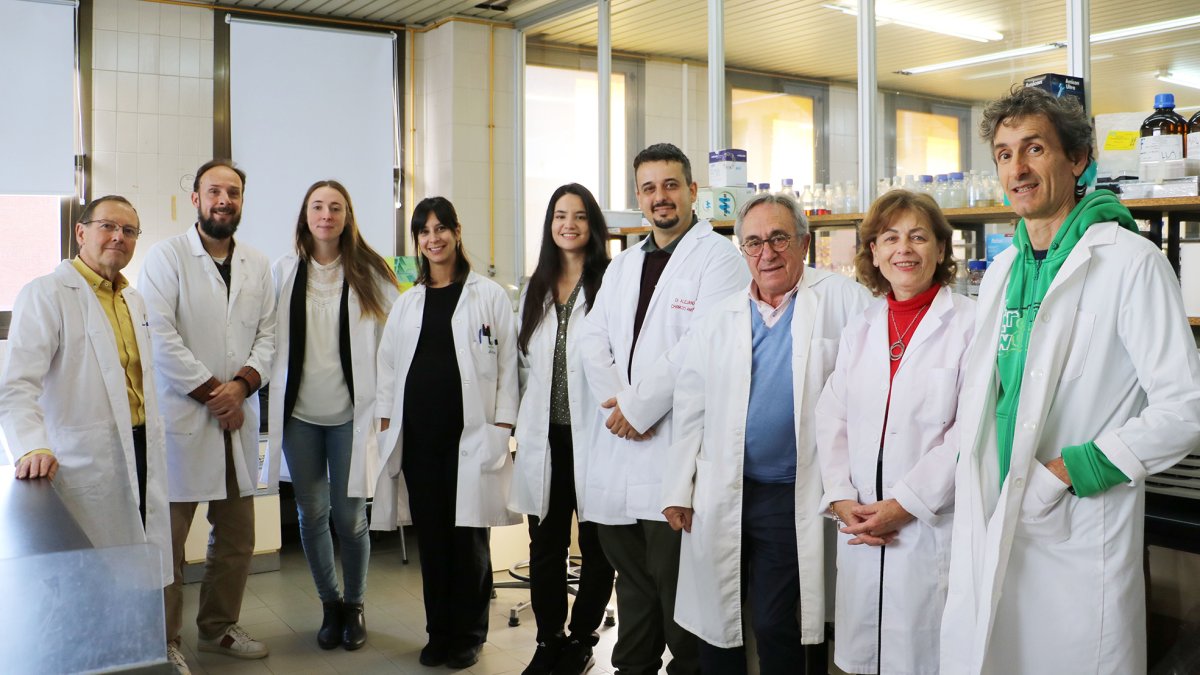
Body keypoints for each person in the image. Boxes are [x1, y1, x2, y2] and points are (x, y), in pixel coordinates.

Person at [939, 86, 1200, 674]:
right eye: (1004, 154)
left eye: (1034, 149)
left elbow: (1185, 408)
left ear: (1078, 159)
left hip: (1076, 520)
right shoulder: (1003, 269)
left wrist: (1066, 474)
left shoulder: (1130, 262)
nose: (1017, 168)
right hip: (996, 513)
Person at [660, 192, 869, 675]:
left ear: (803, 242)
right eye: (753, 242)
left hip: (791, 494)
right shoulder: (720, 318)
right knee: (717, 620)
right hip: (722, 491)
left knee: (777, 623)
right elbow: (691, 407)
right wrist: (678, 489)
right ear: (742, 251)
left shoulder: (845, 301)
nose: (767, 252)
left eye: (778, 238)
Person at [580, 142, 750, 675]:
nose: (661, 197)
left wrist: (637, 406)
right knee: (632, 596)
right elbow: (594, 338)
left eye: (671, 185)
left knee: (680, 607)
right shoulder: (624, 262)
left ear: (693, 191)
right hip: (618, 451)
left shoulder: (720, 259)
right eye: (649, 188)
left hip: (673, 457)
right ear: (639, 197)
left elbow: (700, 346)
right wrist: (620, 404)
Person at [0, 196, 180, 671]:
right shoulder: (47, 293)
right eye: (108, 227)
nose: (119, 237)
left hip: (142, 450)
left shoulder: (133, 298)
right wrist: (32, 445)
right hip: (83, 459)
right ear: (81, 233)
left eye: (130, 230)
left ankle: (141, 653)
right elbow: (16, 386)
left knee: (140, 564)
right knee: (92, 578)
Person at [815, 189, 973, 675]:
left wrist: (904, 505)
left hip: (927, 525)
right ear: (875, 254)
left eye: (918, 237)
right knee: (864, 658)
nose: (904, 249)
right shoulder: (861, 327)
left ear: (941, 250)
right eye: (890, 238)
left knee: (924, 658)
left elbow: (968, 432)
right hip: (861, 521)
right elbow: (832, 416)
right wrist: (842, 496)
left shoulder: (970, 323)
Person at [371, 196, 519, 670]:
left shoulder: (488, 296)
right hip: (419, 441)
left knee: (468, 541)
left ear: (456, 231)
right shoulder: (408, 301)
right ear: (416, 241)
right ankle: (438, 632)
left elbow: (508, 367)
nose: (433, 238)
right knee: (432, 541)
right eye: (423, 231)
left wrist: (501, 425)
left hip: (471, 439)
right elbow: (389, 367)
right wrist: (386, 423)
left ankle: (469, 634)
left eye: (441, 228)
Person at [139, 159, 277, 664]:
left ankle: (218, 626)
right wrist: (216, 395)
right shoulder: (166, 257)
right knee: (170, 545)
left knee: (238, 536)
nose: (224, 200)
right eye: (214, 191)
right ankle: (166, 640)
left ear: (242, 200)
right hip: (184, 421)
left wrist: (240, 388)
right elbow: (160, 338)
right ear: (196, 198)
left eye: (234, 192)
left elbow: (268, 337)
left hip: (235, 420)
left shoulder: (258, 264)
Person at [268, 180, 399, 651]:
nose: (326, 215)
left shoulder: (371, 272)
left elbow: (392, 348)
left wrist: (386, 409)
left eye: (335, 207)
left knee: (349, 516)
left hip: (352, 415)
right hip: (299, 416)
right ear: (305, 214)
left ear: (348, 216)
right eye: (317, 206)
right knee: (311, 513)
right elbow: (266, 339)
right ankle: (330, 604)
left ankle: (356, 604)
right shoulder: (282, 272)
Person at [510, 184, 616, 675]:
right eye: (559, 216)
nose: (568, 224)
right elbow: (522, 364)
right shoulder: (537, 286)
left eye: (578, 216)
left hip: (595, 435)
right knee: (546, 545)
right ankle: (549, 638)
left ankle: (582, 637)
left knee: (597, 545)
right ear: (550, 226)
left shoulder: (611, 284)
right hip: (545, 436)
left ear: (592, 226)